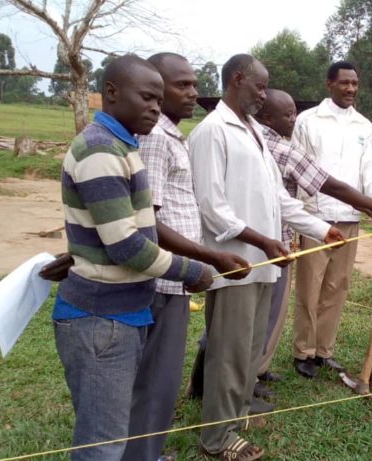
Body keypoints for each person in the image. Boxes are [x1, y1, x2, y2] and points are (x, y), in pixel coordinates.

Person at [52, 54, 212, 461]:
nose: (156, 108)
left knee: (111, 427)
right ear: (111, 93)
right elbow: (127, 246)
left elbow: (121, 229)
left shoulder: (123, 145)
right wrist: (191, 270)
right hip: (101, 319)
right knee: (102, 443)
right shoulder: (100, 151)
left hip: (121, 312)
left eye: (159, 99)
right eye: (146, 97)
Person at [188, 54, 343, 460]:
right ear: (237, 79)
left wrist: (319, 228)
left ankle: (234, 419)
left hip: (262, 263)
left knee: (249, 350)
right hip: (235, 262)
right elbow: (212, 206)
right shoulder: (211, 131)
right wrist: (263, 241)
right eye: (259, 86)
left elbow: (278, 199)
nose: (263, 94)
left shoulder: (254, 131)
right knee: (229, 352)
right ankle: (216, 439)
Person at [120, 53, 250, 461]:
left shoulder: (170, 134)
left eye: (194, 84)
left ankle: (145, 450)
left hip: (173, 277)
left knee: (158, 375)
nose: (193, 93)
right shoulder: (156, 138)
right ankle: (143, 455)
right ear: (156, 90)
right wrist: (206, 257)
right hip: (162, 278)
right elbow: (149, 223)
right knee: (156, 377)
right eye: (182, 85)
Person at [290, 61, 372, 377]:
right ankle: (303, 352)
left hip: (348, 218)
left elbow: (370, 172)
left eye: (355, 84)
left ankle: (324, 350)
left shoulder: (365, 127)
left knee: (338, 287)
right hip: (314, 217)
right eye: (344, 83)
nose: (350, 89)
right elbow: (295, 169)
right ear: (329, 84)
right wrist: (294, 218)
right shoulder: (308, 121)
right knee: (310, 287)